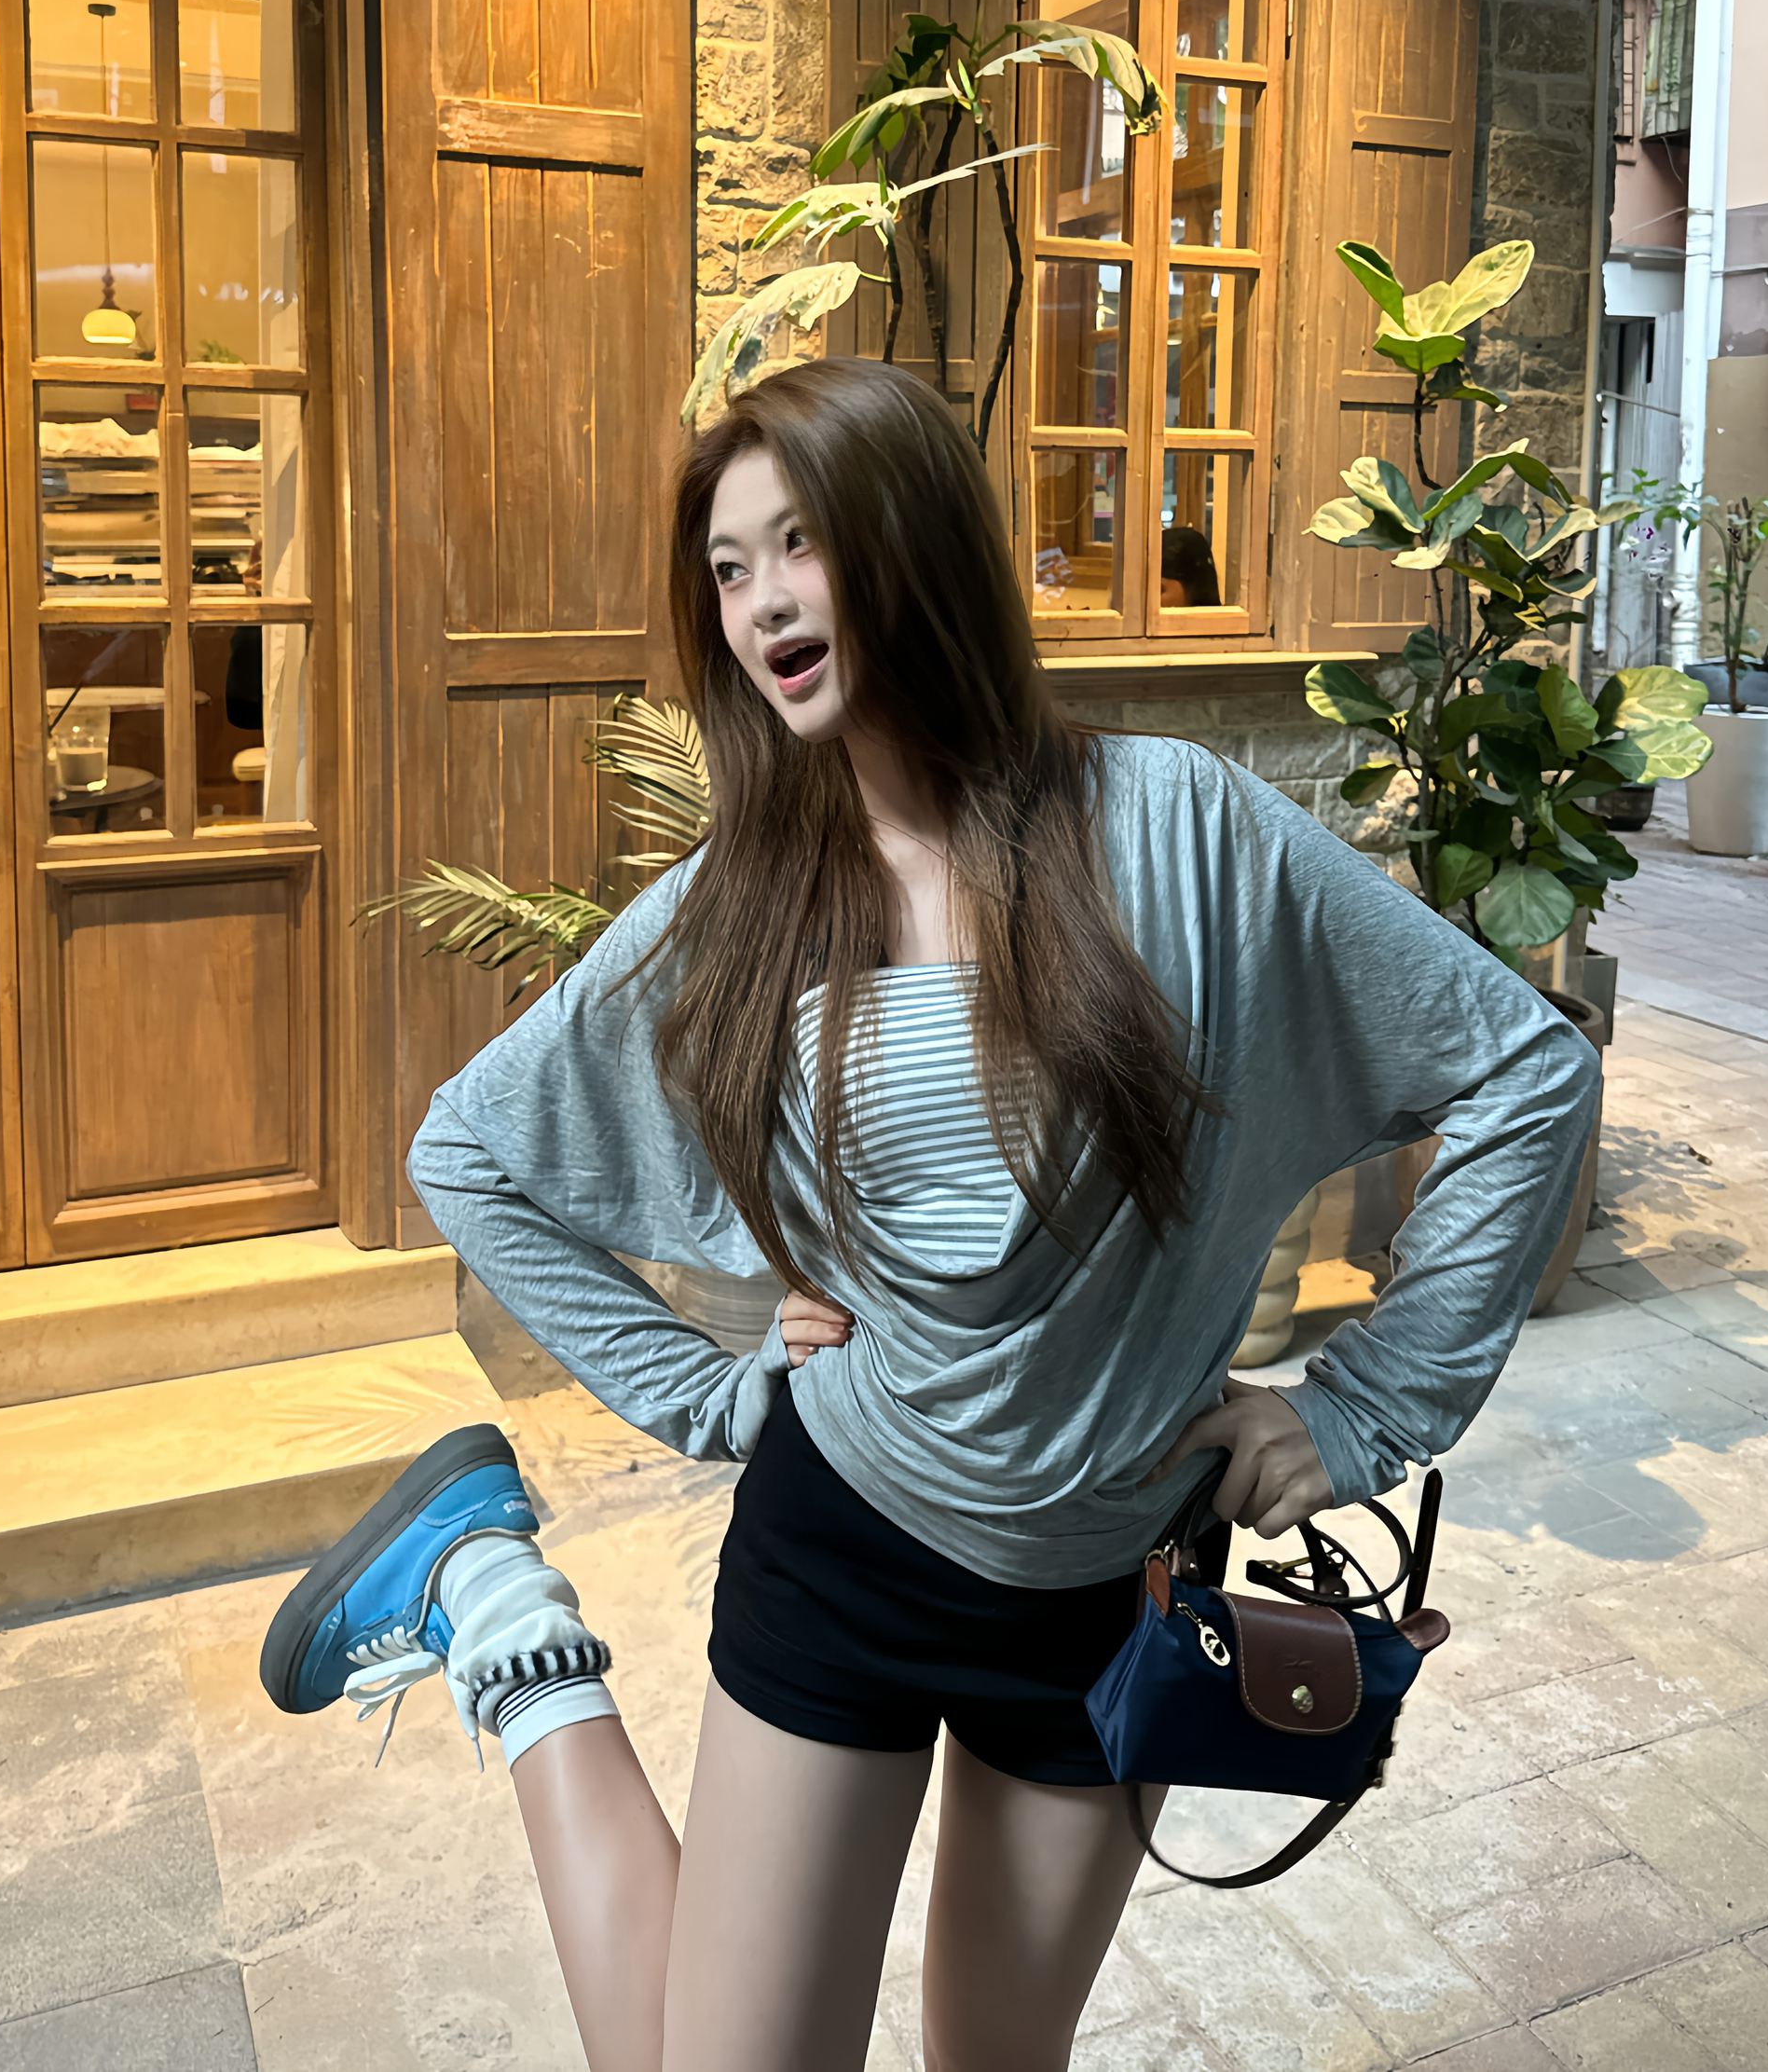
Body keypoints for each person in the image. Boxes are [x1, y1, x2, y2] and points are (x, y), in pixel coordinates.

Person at [261, 358, 1597, 2072]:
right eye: (727, 569)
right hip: (847, 1552)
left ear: (914, 540)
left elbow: (1525, 1071)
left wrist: (1363, 1408)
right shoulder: (743, 900)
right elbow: (471, 1153)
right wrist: (702, 1388)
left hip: (1107, 1591)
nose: (759, 603)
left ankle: (504, 1619)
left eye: (798, 543)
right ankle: (513, 1631)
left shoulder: (1183, 833)